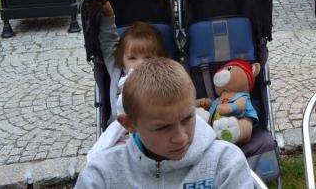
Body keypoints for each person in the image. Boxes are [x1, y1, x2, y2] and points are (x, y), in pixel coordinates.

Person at [76, 58, 253, 188]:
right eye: (162, 127)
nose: (181, 137)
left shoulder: (225, 163)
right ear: (128, 124)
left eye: (187, 118)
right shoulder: (100, 175)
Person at [87, 0, 169, 162]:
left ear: (159, 59)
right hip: (119, 131)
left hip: (151, 130)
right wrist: (108, 14)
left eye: (147, 58)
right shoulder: (117, 70)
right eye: (132, 58)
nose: (139, 64)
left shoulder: (162, 76)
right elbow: (108, 40)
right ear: (122, 59)